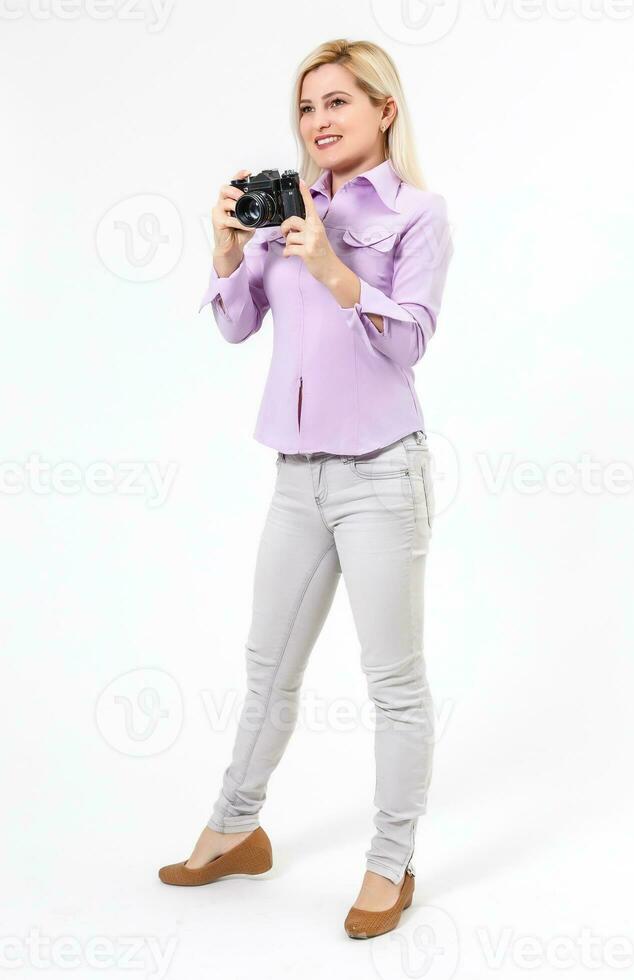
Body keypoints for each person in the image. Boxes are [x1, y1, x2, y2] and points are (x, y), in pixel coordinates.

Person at [159, 37, 453, 940]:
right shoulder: (286, 208)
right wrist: (224, 250)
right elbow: (238, 324)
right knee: (267, 669)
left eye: (337, 103)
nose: (318, 122)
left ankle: (390, 862)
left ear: (383, 110)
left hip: (380, 476)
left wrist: (332, 266)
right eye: (307, 107)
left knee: (393, 681)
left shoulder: (417, 215)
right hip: (295, 480)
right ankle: (236, 829)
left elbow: (408, 342)